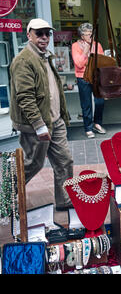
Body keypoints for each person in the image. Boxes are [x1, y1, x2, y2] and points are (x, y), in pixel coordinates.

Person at [9, 18, 74, 211]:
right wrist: (39, 125)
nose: (44, 37)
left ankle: (64, 200)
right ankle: (6, 195)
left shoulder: (45, 56)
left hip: (55, 121)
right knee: (32, 164)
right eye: (39, 33)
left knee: (64, 161)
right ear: (29, 35)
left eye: (48, 33)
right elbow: (25, 97)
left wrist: (61, 116)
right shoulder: (23, 60)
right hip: (37, 124)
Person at [71, 22, 107, 139]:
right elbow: (79, 64)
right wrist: (86, 51)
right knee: (86, 104)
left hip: (96, 76)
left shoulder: (98, 45)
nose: (90, 37)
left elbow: (101, 62)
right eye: (87, 34)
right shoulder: (76, 46)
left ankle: (97, 123)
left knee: (100, 102)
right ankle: (88, 128)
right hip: (83, 77)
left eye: (91, 34)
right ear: (82, 36)